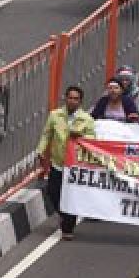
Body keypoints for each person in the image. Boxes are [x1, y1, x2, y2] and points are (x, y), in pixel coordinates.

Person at [37, 86, 96, 240]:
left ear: (80, 101)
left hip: (75, 165)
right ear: (65, 98)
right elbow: (46, 135)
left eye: (76, 99)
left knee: (71, 196)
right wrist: (40, 151)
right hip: (57, 162)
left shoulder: (86, 119)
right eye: (70, 97)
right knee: (52, 192)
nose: (72, 101)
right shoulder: (55, 115)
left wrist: (81, 135)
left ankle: (68, 228)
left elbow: (93, 140)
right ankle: (64, 215)